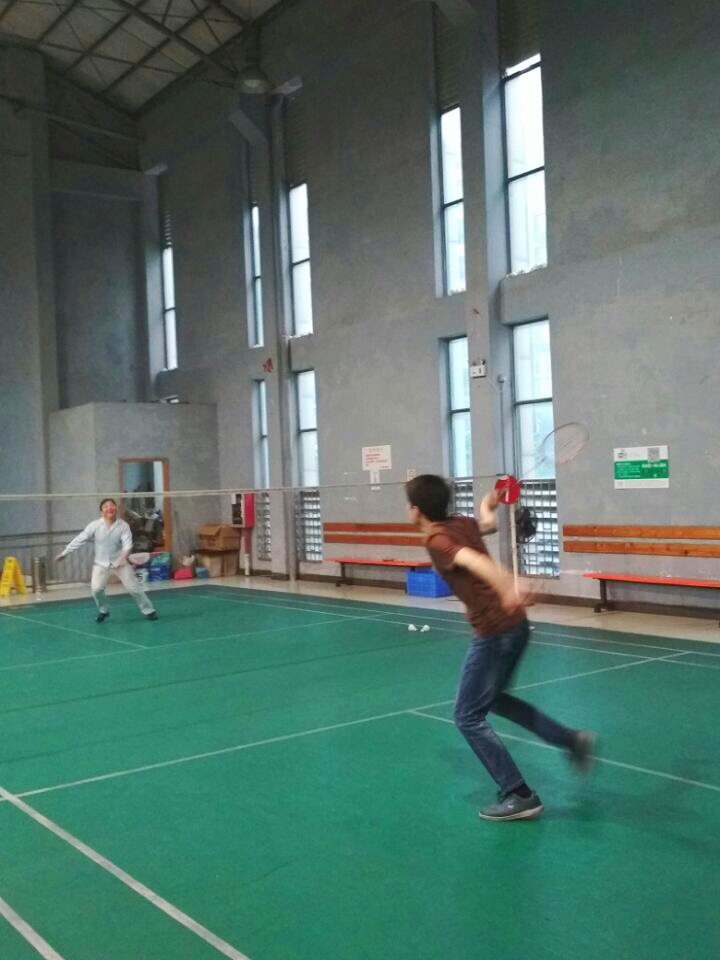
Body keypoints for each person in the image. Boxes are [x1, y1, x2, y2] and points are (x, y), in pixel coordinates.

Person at [405, 475, 594, 822]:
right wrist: (488, 502)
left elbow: (475, 562)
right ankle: (570, 740)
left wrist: (507, 585)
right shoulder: (461, 523)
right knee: (495, 700)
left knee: (466, 715)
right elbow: (488, 525)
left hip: (494, 631)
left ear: (416, 510)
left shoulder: (436, 539)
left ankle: (518, 793)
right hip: (516, 626)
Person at [56, 498, 158, 623]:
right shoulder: (94, 525)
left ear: (116, 509)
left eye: (112, 506)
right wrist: (65, 552)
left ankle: (149, 610)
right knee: (96, 590)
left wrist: (120, 560)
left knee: (134, 588)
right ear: (101, 511)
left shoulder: (123, 525)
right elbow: (80, 539)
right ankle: (103, 611)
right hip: (100, 564)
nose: (109, 508)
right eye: (106, 506)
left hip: (121, 563)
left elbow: (127, 546)